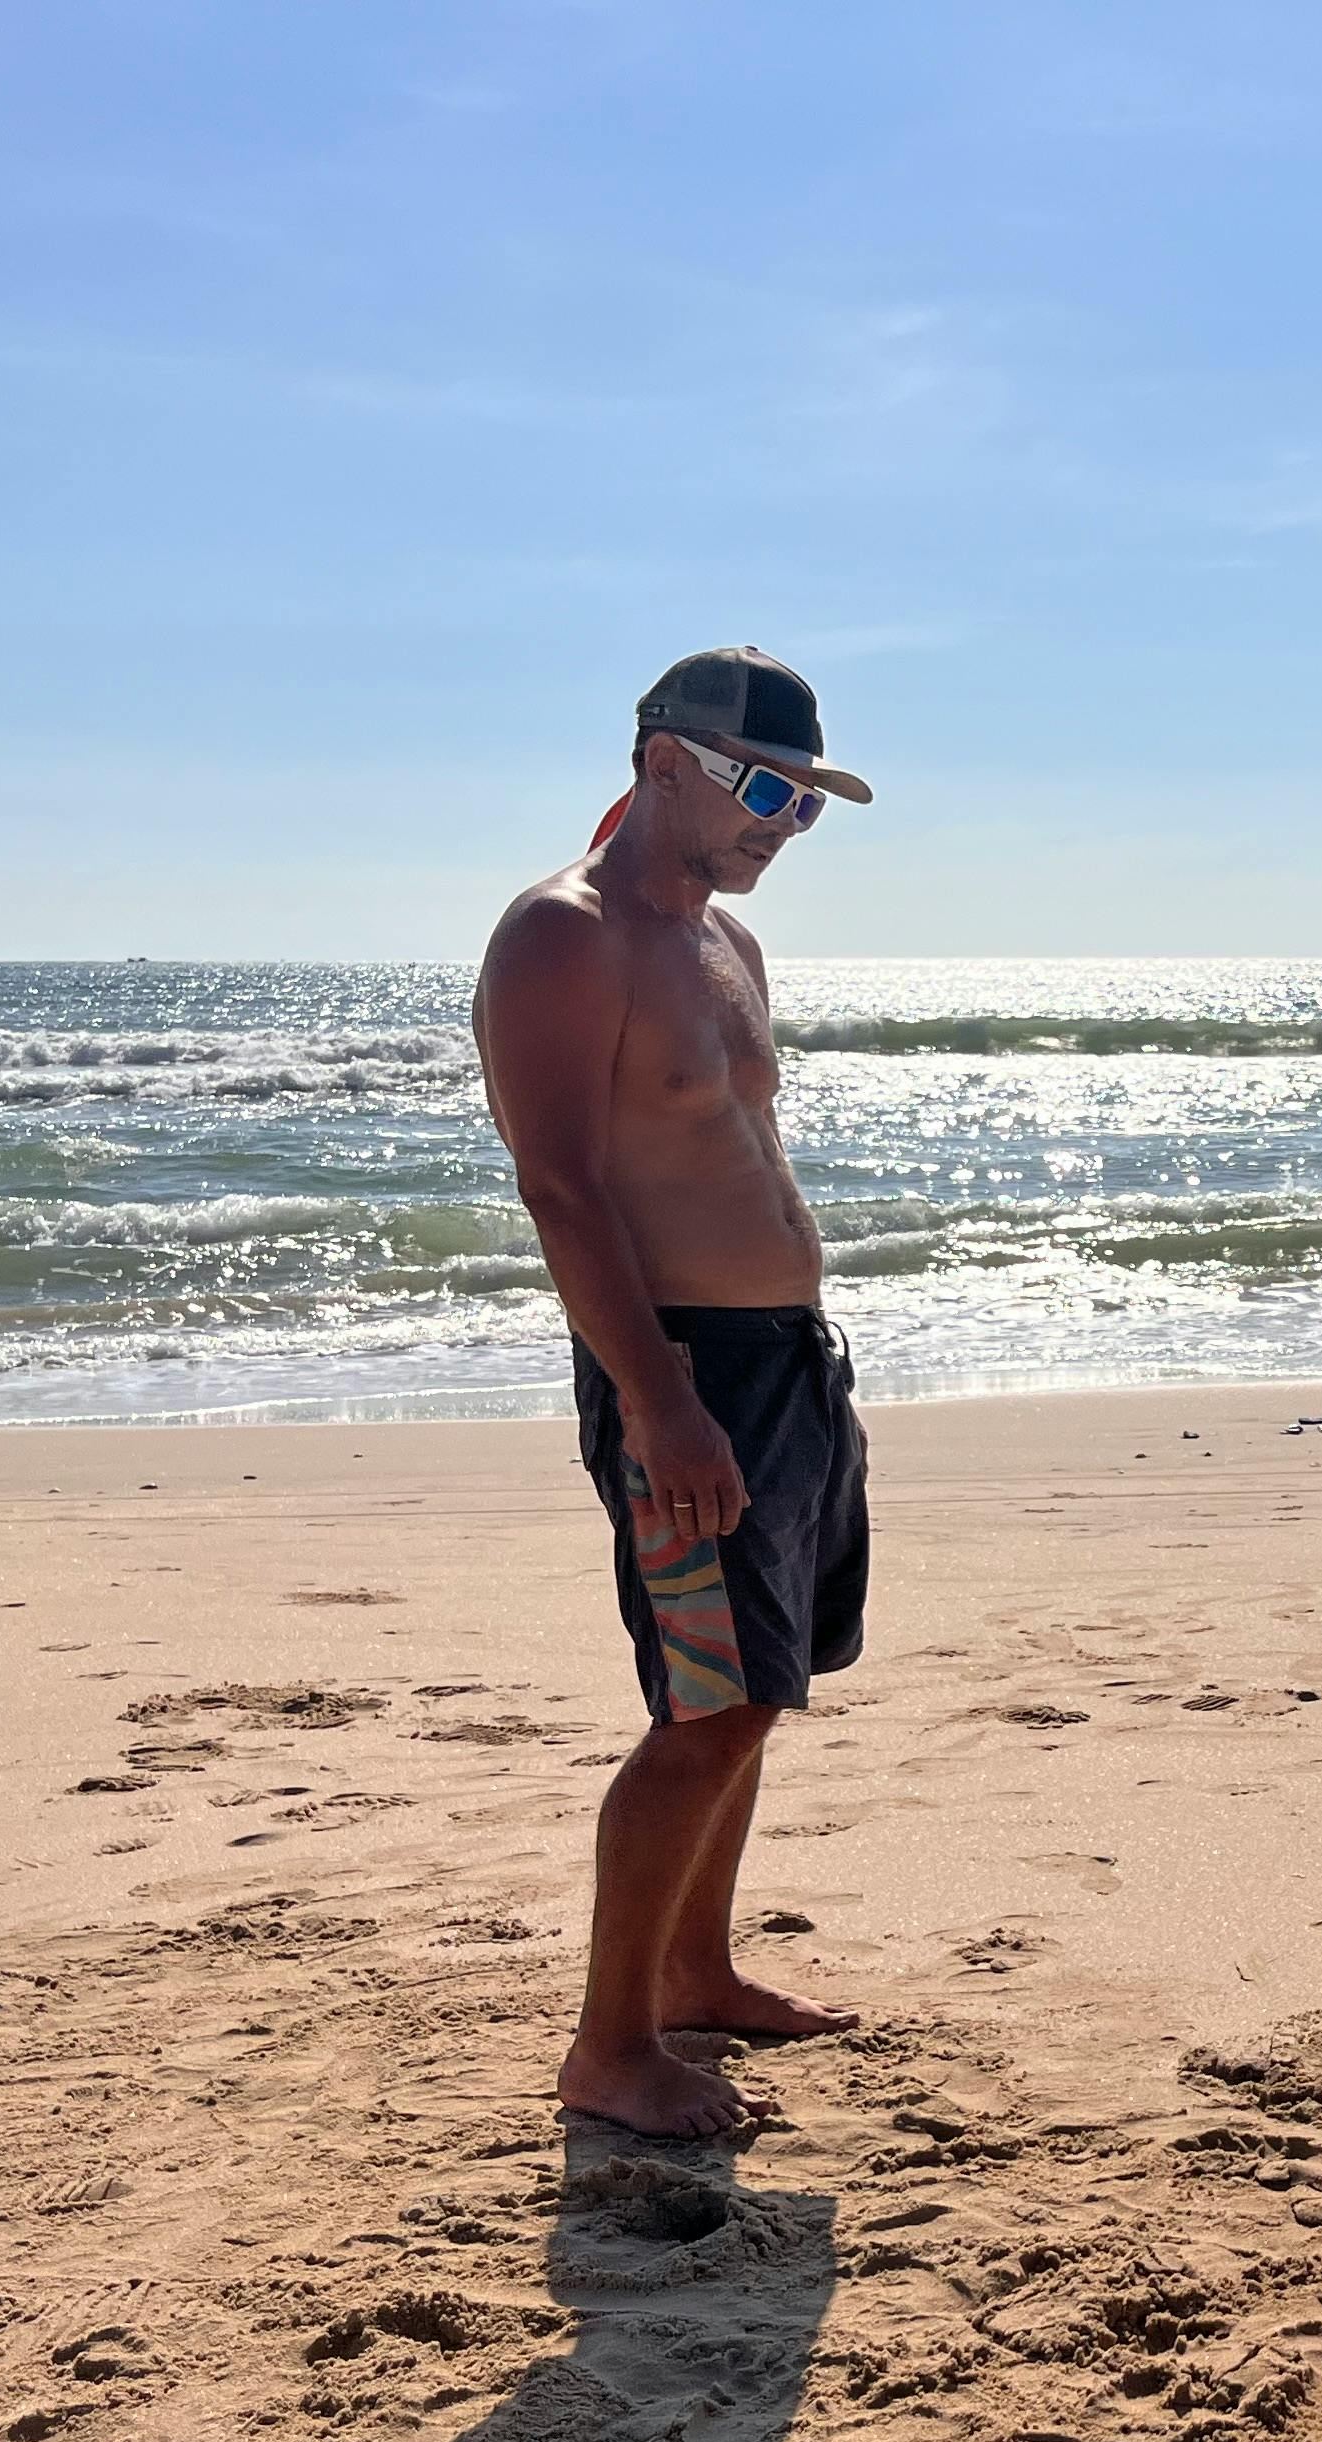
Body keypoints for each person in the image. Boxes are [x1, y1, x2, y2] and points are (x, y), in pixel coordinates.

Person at [471, 646, 879, 2138]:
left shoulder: (721, 941)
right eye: (766, 788)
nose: (786, 821)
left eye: (811, 801)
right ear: (663, 763)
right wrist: (660, 1401)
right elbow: (563, 1187)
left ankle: (697, 1972)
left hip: (783, 1363)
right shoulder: (561, 939)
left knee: (761, 1690)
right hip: (685, 1367)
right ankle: (610, 2046)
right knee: (702, 1709)